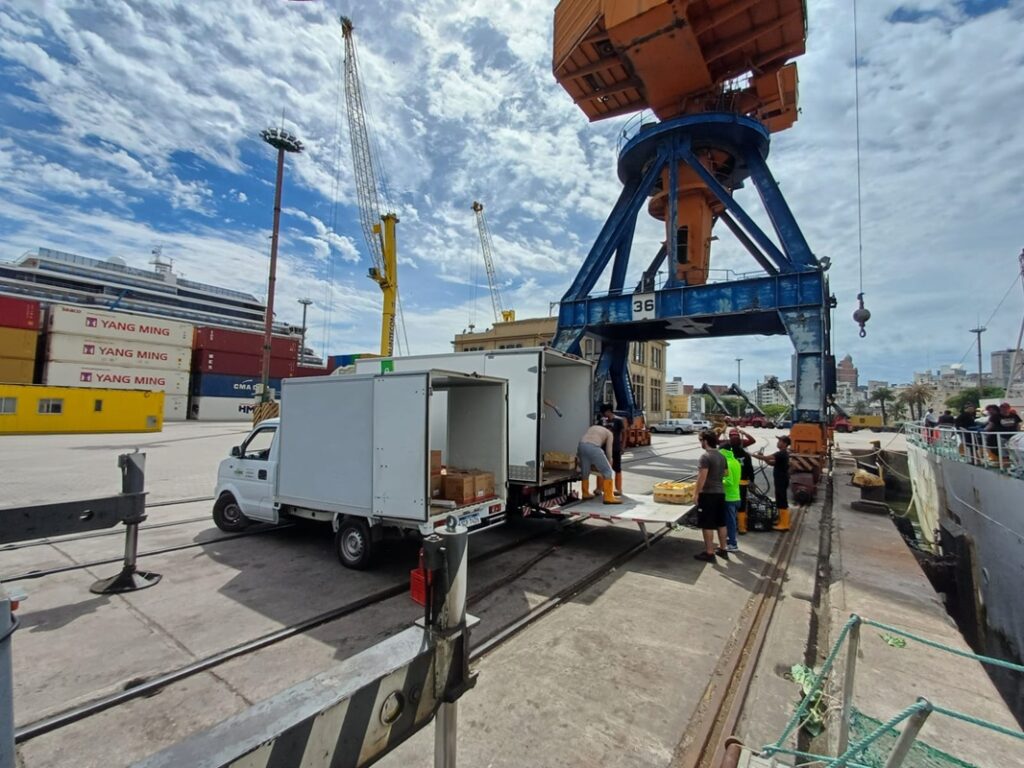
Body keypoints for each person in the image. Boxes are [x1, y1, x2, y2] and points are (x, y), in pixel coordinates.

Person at [693, 431, 728, 562]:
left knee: (707, 524)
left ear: (705, 441)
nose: (700, 442)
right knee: (721, 522)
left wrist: (696, 493)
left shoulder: (705, 457)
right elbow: (725, 473)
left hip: (708, 494)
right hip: (720, 493)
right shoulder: (721, 456)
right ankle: (723, 549)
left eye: (700, 440)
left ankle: (709, 552)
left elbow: (702, 477)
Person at [576, 422, 622, 505]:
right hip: (593, 447)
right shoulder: (609, 433)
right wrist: (609, 464)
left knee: (585, 471)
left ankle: (585, 493)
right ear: (610, 429)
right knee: (608, 472)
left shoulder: (593, 427)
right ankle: (608, 497)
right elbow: (608, 451)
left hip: (581, 445)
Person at [754, 435, 791, 532]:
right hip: (780, 480)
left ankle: (784, 524)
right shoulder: (782, 454)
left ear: (785, 444)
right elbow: (770, 462)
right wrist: (762, 457)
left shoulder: (781, 453)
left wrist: (751, 454)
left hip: (781, 480)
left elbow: (767, 457)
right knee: (779, 500)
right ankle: (782, 521)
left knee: (782, 500)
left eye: (780, 441)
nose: (778, 442)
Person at [726, 428, 756, 534]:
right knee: (742, 505)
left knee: (729, 504)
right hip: (742, 483)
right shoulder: (746, 455)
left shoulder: (727, 455)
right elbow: (750, 470)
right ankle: (742, 527)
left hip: (729, 483)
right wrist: (752, 481)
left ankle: (729, 526)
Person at [600, 403, 627, 496]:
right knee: (601, 468)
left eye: (604, 413)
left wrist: (622, 446)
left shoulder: (618, 420)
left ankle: (618, 489)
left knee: (617, 469)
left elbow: (624, 434)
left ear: (608, 411)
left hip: (615, 448)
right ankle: (599, 488)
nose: (603, 415)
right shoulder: (602, 421)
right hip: (603, 449)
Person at [719, 444, 742, 552]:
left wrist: (717, 480)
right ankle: (729, 540)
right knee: (731, 521)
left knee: (730, 522)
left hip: (729, 498)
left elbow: (728, 481)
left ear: (723, 451)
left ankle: (733, 544)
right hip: (736, 496)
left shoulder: (726, 463)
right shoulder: (735, 461)